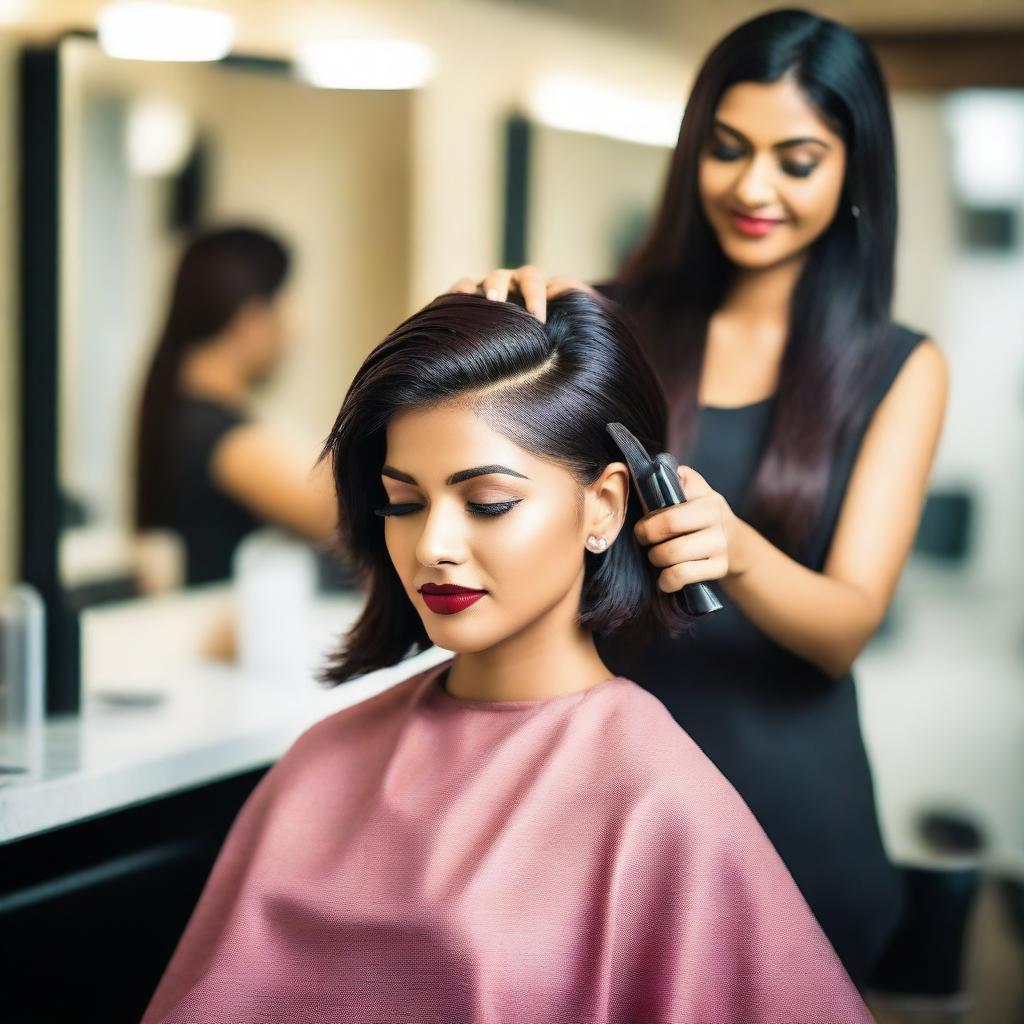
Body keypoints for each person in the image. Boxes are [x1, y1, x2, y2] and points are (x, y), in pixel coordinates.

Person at [140, 291, 872, 1024]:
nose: (433, 547)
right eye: (403, 503)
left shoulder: (659, 802)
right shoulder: (324, 760)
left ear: (605, 507)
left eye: (487, 502)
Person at [450, 7, 949, 987]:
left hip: (788, 812)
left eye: (796, 159)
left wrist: (740, 547)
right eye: (726, 149)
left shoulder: (899, 368)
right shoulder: (603, 321)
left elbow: (843, 627)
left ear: (854, 174)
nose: (752, 187)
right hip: (603, 798)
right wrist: (496, 345)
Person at [133, 225, 336, 587]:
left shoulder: (188, 416)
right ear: (252, 319)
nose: (296, 327)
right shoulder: (220, 436)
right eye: (287, 305)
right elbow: (344, 516)